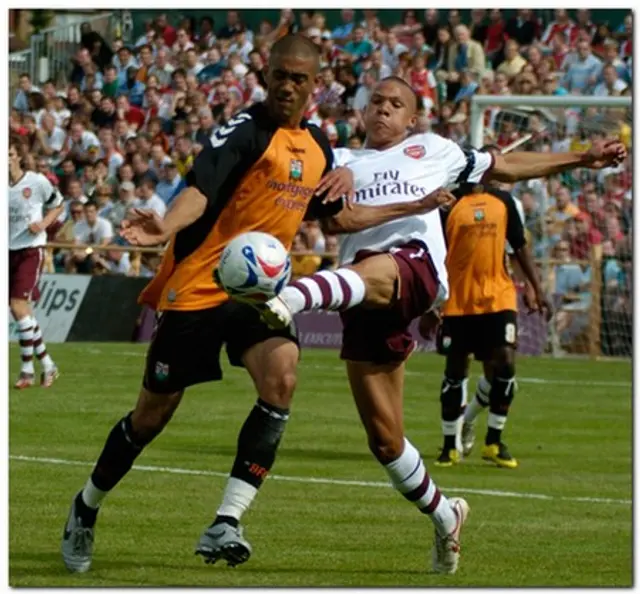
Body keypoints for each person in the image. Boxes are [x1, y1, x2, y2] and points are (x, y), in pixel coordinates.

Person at [59, 35, 445, 575]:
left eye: (299, 78)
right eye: (279, 75)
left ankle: (227, 520)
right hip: (197, 287)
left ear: (314, 84)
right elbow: (198, 188)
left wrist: (419, 205)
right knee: (150, 418)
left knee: (283, 377)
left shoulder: (317, 148)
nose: (287, 85)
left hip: (257, 293)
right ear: (266, 76)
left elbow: (338, 220)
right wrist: (165, 224)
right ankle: (86, 505)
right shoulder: (242, 131)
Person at [260, 77, 627, 573]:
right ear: (365, 114)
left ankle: (289, 297)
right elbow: (338, 225)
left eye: (397, 104)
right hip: (364, 297)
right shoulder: (340, 159)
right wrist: (348, 179)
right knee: (386, 442)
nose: (384, 110)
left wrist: (581, 159)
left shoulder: (435, 149)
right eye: (377, 103)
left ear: (412, 118)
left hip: (415, 269)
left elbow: (508, 167)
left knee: (382, 266)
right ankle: (445, 515)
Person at [432, 172, 550, 470]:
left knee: (506, 363)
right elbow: (433, 253)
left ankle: (494, 441)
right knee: (456, 369)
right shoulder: (447, 205)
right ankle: (450, 446)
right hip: (458, 299)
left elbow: (520, 245)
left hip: (499, 295)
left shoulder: (504, 202)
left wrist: (536, 288)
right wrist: (430, 304)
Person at [9, 139, 63, 389]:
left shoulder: (36, 181)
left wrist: (42, 224)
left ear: (18, 157)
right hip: (8, 251)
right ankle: (49, 364)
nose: (6, 159)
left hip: (31, 250)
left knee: (18, 305)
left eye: (9, 154)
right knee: (22, 313)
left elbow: (58, 204)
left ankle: (27, 371)